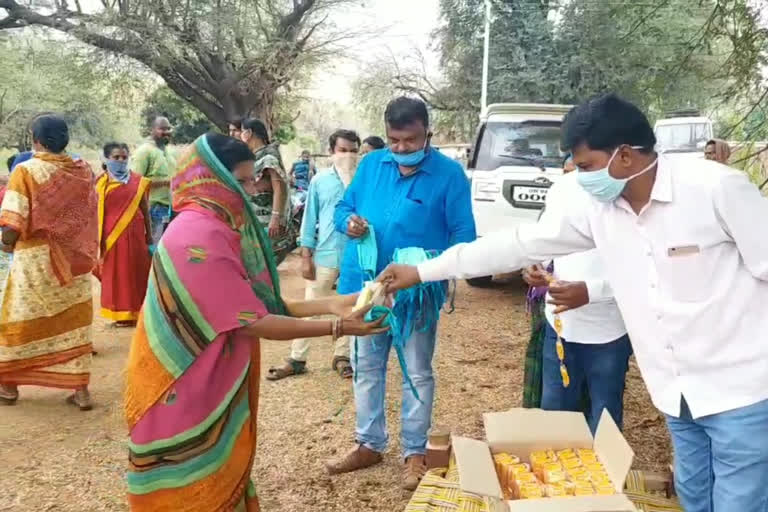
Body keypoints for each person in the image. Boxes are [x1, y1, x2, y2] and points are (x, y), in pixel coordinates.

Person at [379, 93, 768, 512]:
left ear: (624, 156)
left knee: (740, 503)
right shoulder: (599, 208)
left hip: (741, 388)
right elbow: (517, 244)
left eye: (585, 166)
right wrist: (422, 271)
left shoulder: (714, 189)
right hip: (676, 392)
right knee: (694, 495)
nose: (580, 178)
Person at [123, 133, 387, 511]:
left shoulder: (211, 223)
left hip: (202, 373)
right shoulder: (199, 236)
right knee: (189, 485)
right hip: (184, 379)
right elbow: (253, 320)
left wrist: (336, 304)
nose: (251, 190)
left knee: (215, 476)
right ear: (212, 179)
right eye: (242, 181)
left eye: (252, 180)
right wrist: (339, 327)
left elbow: (257, 304)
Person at [325, 97, 476, 490]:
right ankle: (369, 443)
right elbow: (344, 207)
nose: (401, 148)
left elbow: (465, 239)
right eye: (394, 140)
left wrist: (430, 270)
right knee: (368, 368)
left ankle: (415, 452)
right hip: (368, 287)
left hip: (416, 295)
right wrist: (350, 223)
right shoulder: (372, 164)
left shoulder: (450, 175)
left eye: (410, 140)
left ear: (428, 133)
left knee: (417, 373)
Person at [521, 155, 630, 434]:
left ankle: (603, 475)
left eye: (585, 167)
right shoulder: (561, 192)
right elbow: (545, 243)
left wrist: (591, 292)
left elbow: (645, 271)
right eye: (572, 168)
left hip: (608, 331)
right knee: (554, 413)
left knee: (604, 416)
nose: (578, 176)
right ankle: (556, 475)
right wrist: (536, 267)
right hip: (560, 328)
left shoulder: (628, 195)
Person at [0, 115, 98, 410]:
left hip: (36, 261)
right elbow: (87, 215)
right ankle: (80, 390)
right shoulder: (84, 170)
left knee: (19, 319)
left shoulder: (26, 171)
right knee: (74, 322)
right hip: (74, 259)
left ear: (36, 140)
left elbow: (13, 222)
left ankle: (8, 386)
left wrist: (5, 243)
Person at [267, 129, 361, 381]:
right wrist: (305, 256)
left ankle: (342, 356)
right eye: (343, 150)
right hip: (326, 254)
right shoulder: (320, 181)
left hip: (357, 256)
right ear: (332, 152)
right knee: (310, 307)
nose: (348, 156)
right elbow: (309, 220)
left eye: (353, 150)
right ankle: (297, 358)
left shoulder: (364, 179)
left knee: (351, 307)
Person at [95, 142, 152, 326]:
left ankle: (137, 312)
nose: (120, 161)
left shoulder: (138, 181)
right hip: (110, 236)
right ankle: (119, 313)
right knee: (115, 274)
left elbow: (145, 209)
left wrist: (149, 236)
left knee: (136, 272)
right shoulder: (100, 183)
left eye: (124, 157)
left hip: (135, 234)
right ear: (107, 159)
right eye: (116, 157)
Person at [239, 118, 294, 263]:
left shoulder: (269, 156)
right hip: (255, 218)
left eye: (242, 131)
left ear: (249, 133)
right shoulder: (253, 156)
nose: (240, 135)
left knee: (266, 263)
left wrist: (276, 218)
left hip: (268, 219)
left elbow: (279, 188)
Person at [133, 116, 175, 248]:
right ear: (152, 130)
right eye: (162, 129)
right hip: (153, 210)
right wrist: (165, 183)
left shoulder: (168, 152)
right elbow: (135, 182)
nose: (167, 132)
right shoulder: (144, 152)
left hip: (169, 209)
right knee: (155, 250)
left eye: (169, 128)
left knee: (167, 250)